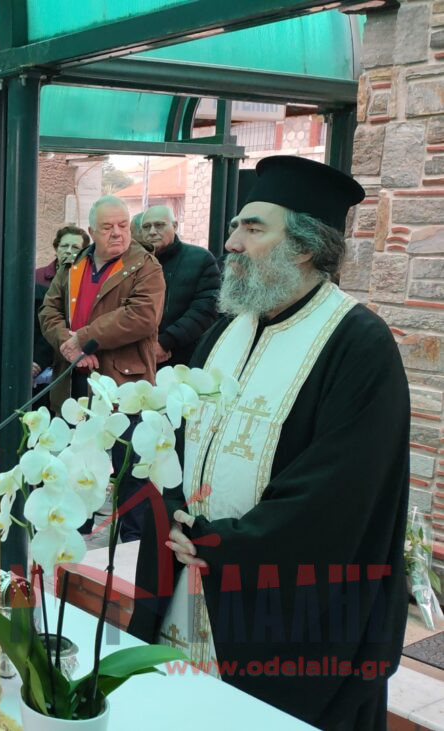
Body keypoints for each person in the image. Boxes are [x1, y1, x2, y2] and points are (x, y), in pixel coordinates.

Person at [131, 156, 409, 731]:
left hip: (282, 610)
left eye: (252, 228)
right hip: (189, 578)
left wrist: (225, 544)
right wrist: (168, 508)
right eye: (235, 226)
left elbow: (340, 492)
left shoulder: (358, 343)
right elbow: (179, 438)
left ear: (303, 247)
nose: (230, 242)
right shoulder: (227, 330)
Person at [39, 196, 164, 541]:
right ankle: (74, 533)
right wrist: (70, 346)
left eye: (123, 225)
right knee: (78, 460)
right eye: (108, 227)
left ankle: (133, 542)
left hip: (125, 384)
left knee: (131, 464)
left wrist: (85, 339)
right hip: (76, 381)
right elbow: (48, 311)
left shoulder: (145, 266)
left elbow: (142, 316)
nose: (117, 233)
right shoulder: (74, 265)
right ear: (92, 231)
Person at [139, 205, 221, 367]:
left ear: (175, 226)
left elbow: (205, 309)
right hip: (137, 357)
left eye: (159, 225)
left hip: (183, 359)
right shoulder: (134, 262)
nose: (152, 231)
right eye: (146, 227)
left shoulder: (200, 258)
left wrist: (165, 342)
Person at [33, 226, 89, 384]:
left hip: (72, 357)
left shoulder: (87, 281)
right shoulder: (37, 278)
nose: (69, 251)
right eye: (64, 246)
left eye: (75, 247)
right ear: (56, 248)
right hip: (39, 361)